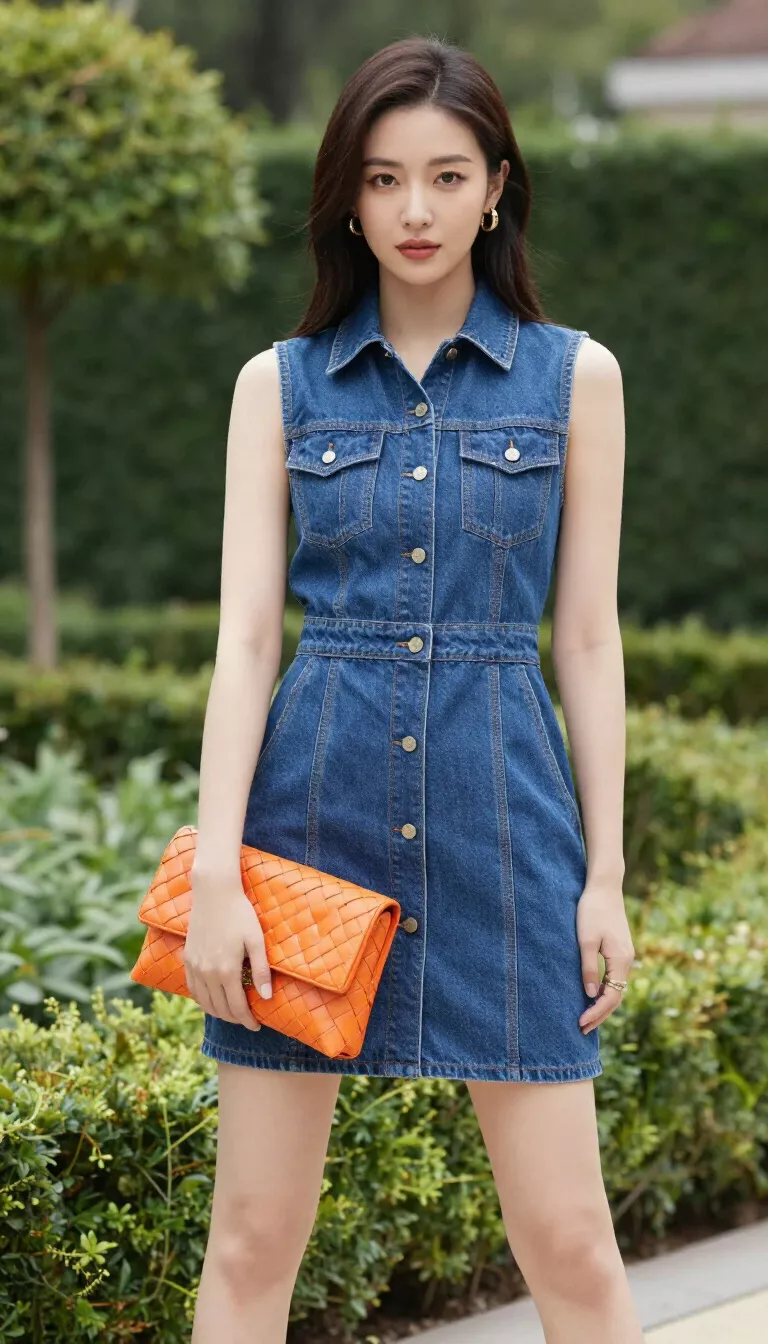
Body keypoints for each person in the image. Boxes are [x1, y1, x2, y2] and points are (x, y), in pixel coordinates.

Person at [187, 34, 642, 1344]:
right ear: (347, 196)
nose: (416, 210)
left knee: (573, 1244)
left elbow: (588, 639)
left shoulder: (577, 379)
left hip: (505, 828)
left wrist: (606, 875)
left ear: (496, 187)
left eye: (447, 175)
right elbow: (246, 641)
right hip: (307, 826)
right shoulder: (277, 387)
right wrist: (216, 872)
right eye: (384, 179)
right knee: (251, 1238)